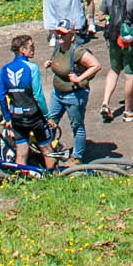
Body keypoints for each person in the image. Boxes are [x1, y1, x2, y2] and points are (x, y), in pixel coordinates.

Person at [0, 33, 54, 170]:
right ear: (22, 49)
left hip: (17, 118)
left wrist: (7, 117)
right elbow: (38, 96)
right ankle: (55, 178)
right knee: (46, 148)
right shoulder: (31, 67)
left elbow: (1, 96)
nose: (34, 48)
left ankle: (20, 180)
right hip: (34, 116)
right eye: (31, 46)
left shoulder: (5, 69)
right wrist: (47, 117)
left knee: (21, 152)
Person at [47, 22, 103, 163]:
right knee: (50, 123)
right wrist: (50, 63)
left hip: (74, 95)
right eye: (58, 32)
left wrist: (79, 78)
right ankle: (49, 151)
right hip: (57, 93)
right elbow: (60, 63)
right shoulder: (58, 47)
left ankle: (77, 157)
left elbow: (96, 65)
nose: (59, 35)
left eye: (63, 33)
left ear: (72, 36)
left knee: (76, 126)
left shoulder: (77, 51)